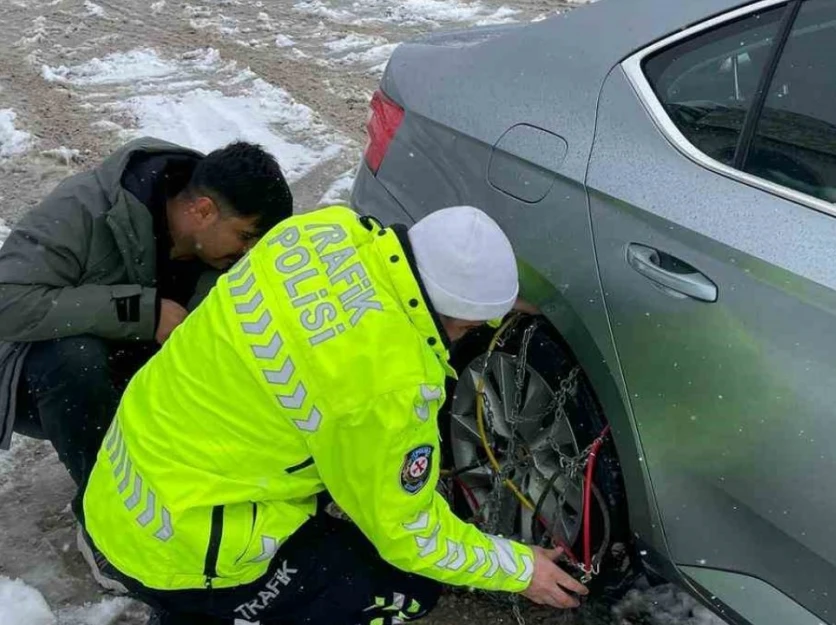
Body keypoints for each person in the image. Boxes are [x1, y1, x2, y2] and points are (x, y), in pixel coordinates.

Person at [77, 204, 590, 624]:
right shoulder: (385, 385)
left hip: (124, 479)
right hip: (179, 545)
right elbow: (411, 536)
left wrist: (491, 295)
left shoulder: (325, 229)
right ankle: (211, 609)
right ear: (456, 315)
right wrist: (519, 569)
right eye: (469, 325)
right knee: (409, 586)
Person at [0, 137, 294, 502]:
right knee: (74, 356)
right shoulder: (85, 207)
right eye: (245, 237)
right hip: (38, 382)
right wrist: (143, 312)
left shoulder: (226, 256)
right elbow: (7, 302)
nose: (248, 254)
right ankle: (106, 513)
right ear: (203, 211)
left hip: (138, 374)